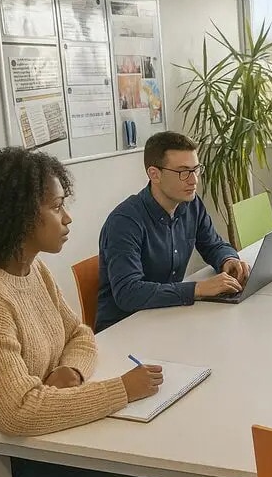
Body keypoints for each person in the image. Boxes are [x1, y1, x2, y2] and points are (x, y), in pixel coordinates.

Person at [0, 147, 169, 477]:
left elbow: (80, 335)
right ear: (18, 218)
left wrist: (71, 373)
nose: (68, 218)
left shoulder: (31, 270)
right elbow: (18, 412)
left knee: (155, 470)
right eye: (56, 207)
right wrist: (122, 389)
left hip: (24, 435)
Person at [97, 131, 250, 332]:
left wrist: (227, 260)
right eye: (183, 172)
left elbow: (213, 244)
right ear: (155, 174)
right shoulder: (125, 222)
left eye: (196, 169)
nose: (194, 180)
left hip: (167, 317)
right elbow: (128, 293)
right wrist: (198, 289)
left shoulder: (191, 204)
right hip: (125, 330)